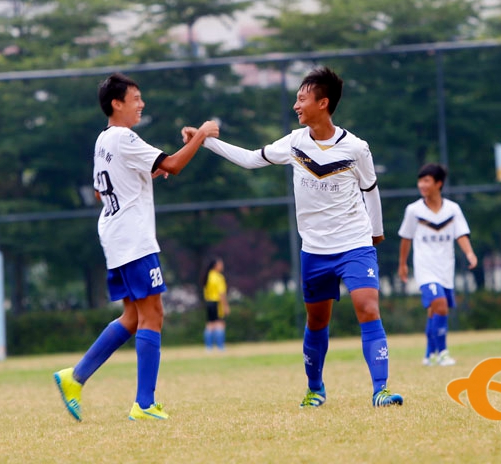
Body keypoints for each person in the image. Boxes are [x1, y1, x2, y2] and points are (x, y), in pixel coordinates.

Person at [182, 67, 403, 408]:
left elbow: (370, 189)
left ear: (323, 103)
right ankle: (315, 389)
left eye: (302, 99)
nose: (297, 105)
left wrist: (376, 232)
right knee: (317, 320)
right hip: (314, 250)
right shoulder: (294, 142)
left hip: (354, 244)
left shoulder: (356, 148)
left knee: (368, 307)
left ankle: (381, 390)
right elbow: (251, 160)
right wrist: (204, 140)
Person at [53, 72, 219, 422]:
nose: (141, 103)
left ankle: (75, 377)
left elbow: (103, 191)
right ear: (117, 103)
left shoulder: (104, 141)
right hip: (133, 238)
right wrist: (201, 135)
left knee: (133, 316)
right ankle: (144, 404)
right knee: (153, 315)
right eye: (136, 98)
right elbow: (172, 163)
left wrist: (151, 172)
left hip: (116, 236)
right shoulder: (124, 138)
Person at [398, 163, 477, 367]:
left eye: (427, 181)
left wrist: (469, 253)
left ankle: (429, 354)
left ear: (438, 183)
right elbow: (406, 238)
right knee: (440, 305)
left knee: (435, 310)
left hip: (445, 268)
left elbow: (461, 234)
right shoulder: (413, 210)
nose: (421, 185)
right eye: (420, 180)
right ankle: (442, 353)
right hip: (425, 268)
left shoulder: (453, 209)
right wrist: (403, 264)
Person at [202, 257, 230, 351]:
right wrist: (225, 306)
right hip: (217, 303)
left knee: (210, 325)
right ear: (215, 266)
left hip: (209, 302)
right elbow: (221, 293)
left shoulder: (208, 276)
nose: (222, 266)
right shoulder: (219, 277)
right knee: (220, 324)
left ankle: (208, 347)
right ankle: (220, 347)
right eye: (220, 264)